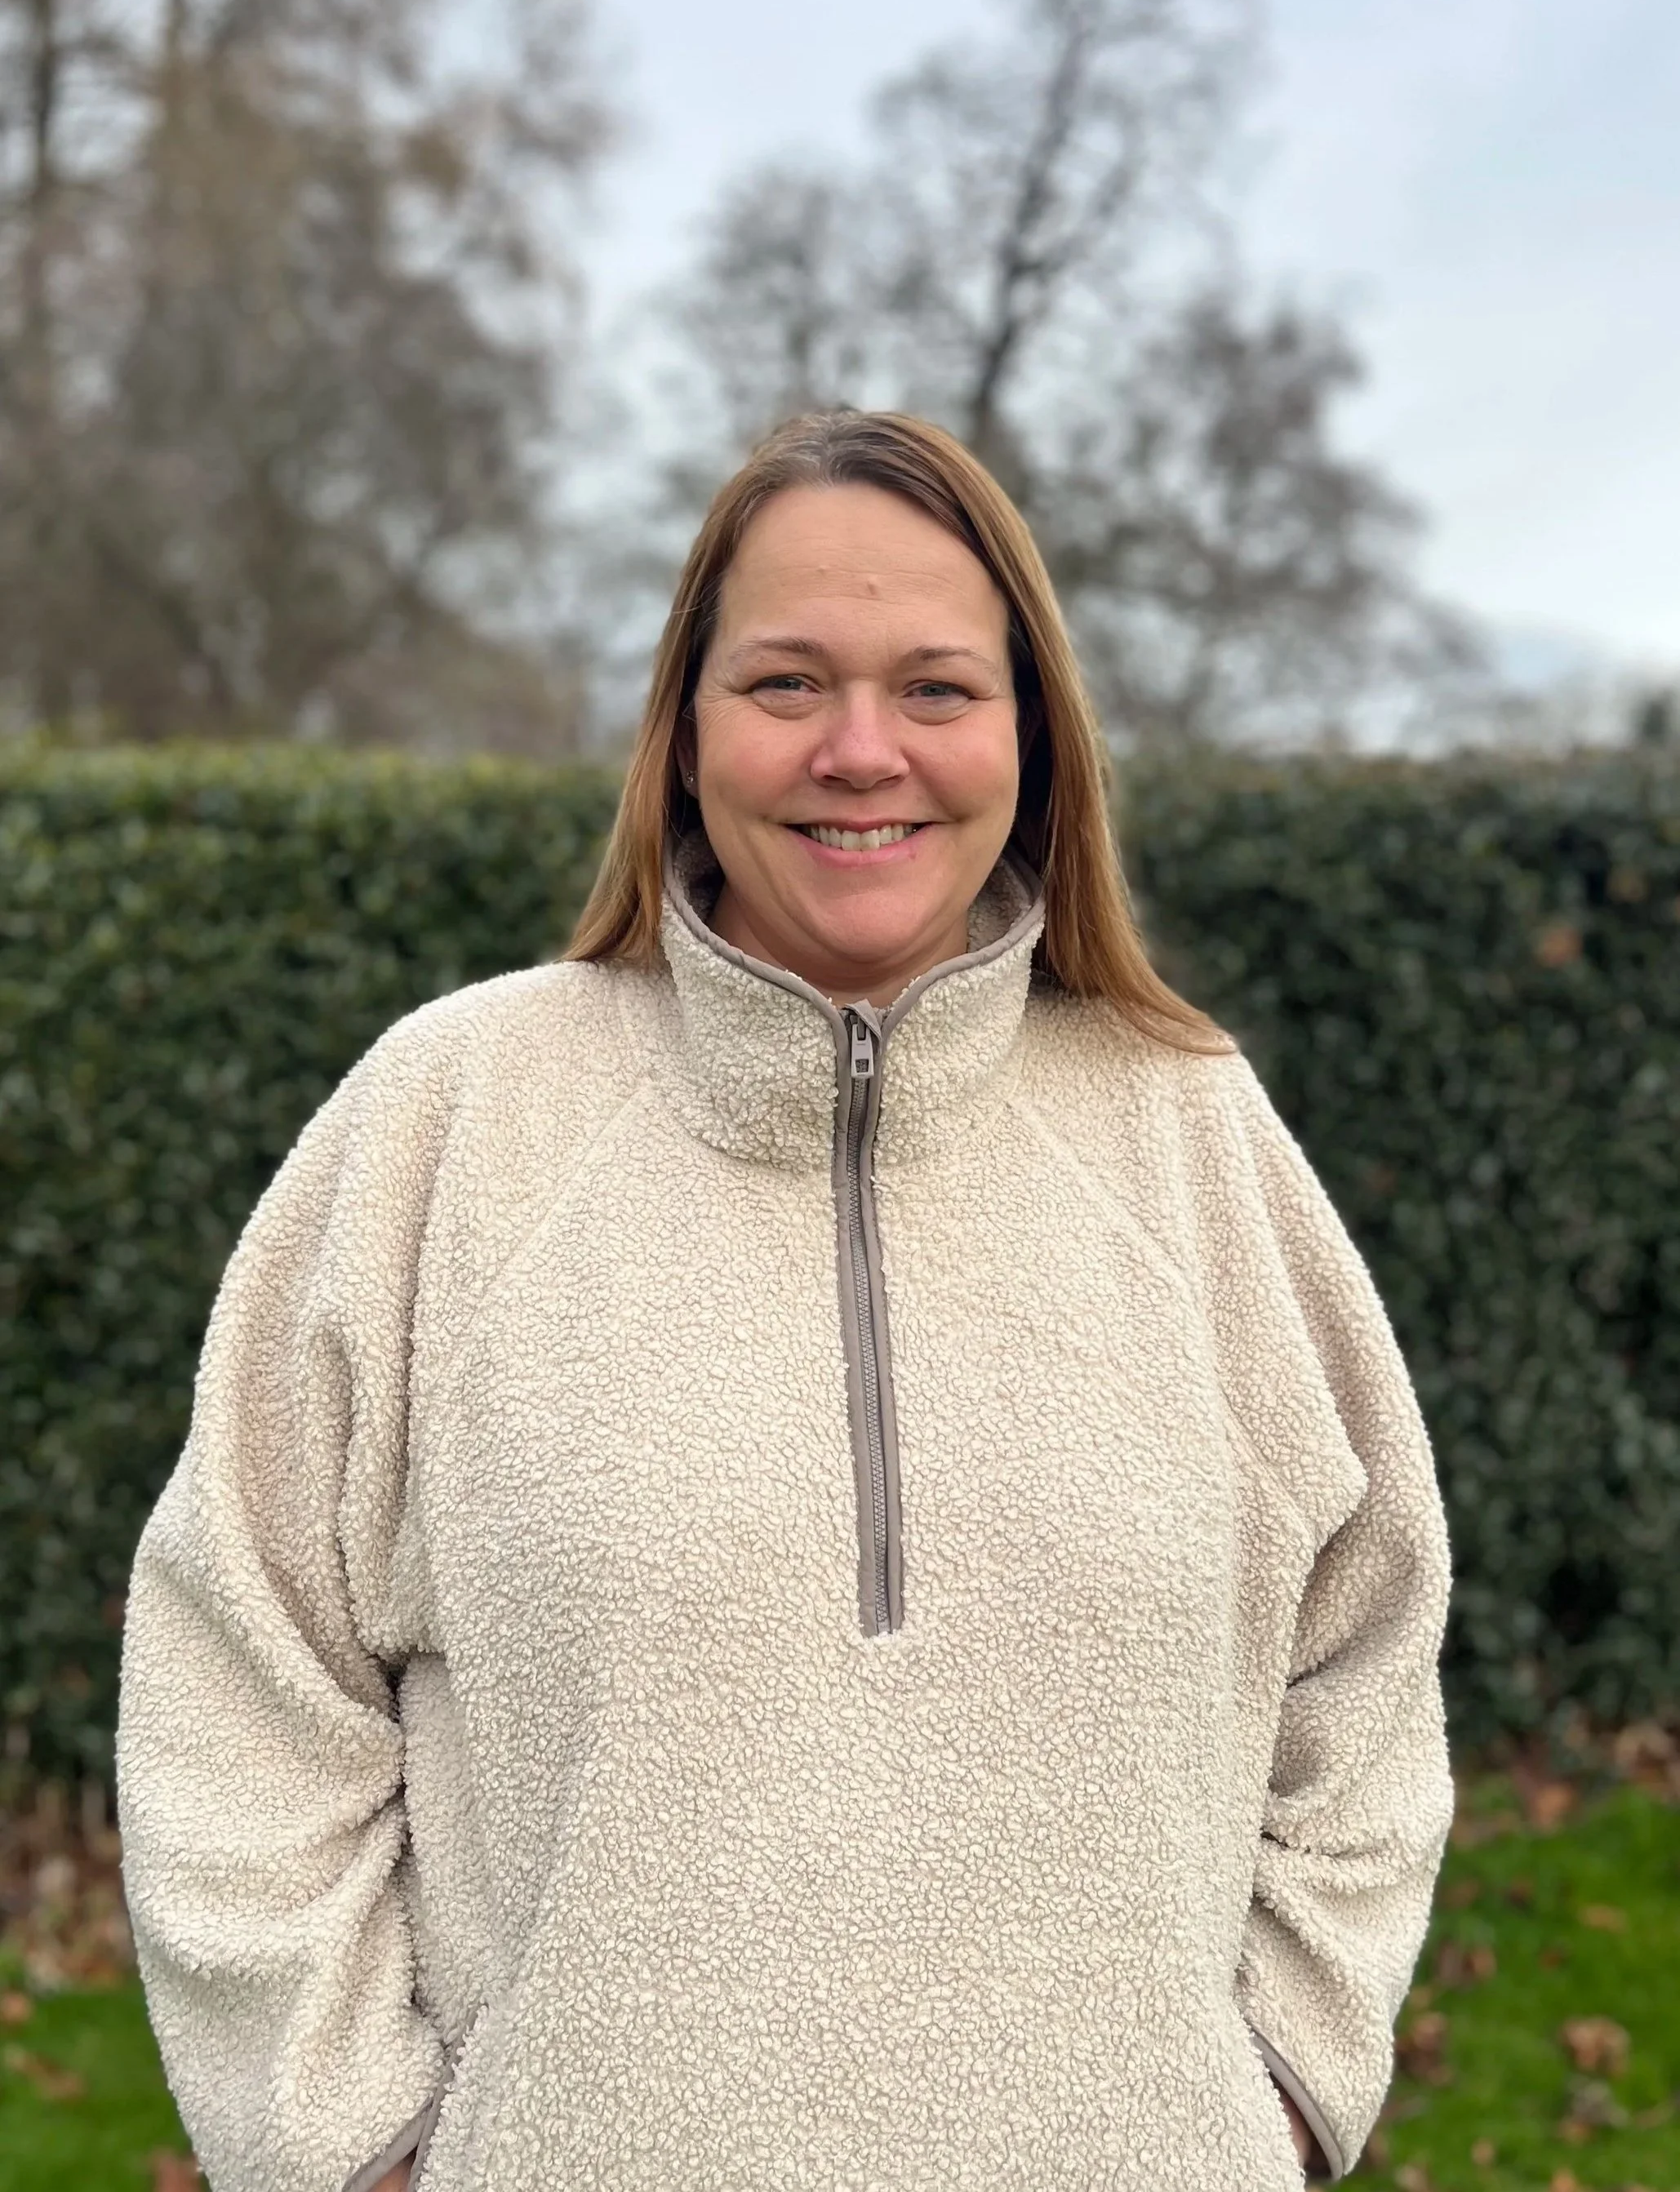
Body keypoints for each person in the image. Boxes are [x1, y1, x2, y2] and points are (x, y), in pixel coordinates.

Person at [116, 409, 1453, 2192]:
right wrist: (357, 2151)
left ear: (1033, 735)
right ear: (684, 732)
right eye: (786, 682)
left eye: (936, 688)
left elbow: (1369, 1644)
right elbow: (238, 1677)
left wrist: (1272, 2085)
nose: (859, 749)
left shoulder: (1186, 1124)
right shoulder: (450, 1119)